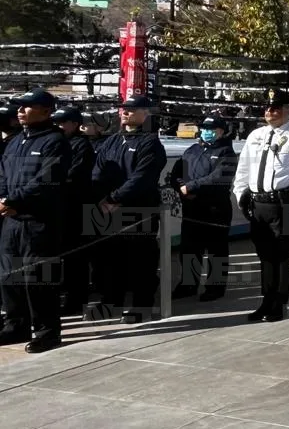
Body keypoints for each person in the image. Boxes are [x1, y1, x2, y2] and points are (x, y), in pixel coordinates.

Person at [232, 89, 289, 322]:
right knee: (265, 256)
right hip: (258, 203)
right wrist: (240, 194)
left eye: (276, 108)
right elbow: (244, 168)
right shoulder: (256, 135)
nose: (270, 112)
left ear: (287, 110)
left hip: (284, 204)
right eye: (268, 108)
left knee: (283, 255)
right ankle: (266, 300)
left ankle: (279, 303)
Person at [0, 88, 72, 353]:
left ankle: (47, 331)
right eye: (19, 107)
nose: (20, 110)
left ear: (46, 111)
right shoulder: (16, 141)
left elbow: (46, 181)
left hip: (40, 222)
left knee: (38, 279)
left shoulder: (55, 141)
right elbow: (3, 175)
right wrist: (4, 199)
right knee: (9, 276)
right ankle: (16, 325)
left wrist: (13, 201)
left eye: (27, 106)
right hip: (12, 221)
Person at [89, 93, 167, 322]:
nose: (125, 112)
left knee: (140, 261)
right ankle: (110, 301)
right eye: (123, 108)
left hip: (137, 210)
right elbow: (98, 171)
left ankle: (142, 306)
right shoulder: (113, 140)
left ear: (146, 114)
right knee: (108, 260)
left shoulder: (150, 143)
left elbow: (142, 178)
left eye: (131, 109)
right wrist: (101, 198)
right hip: (108, 211)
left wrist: (114, 198)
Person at [169, 114, 238, 302]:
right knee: (190, 248)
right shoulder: (192, 150)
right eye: (205, 128)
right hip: (192, 207)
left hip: (215, 208)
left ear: (221, 131)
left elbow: (218, 178)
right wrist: (182, 187)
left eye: (211, 129)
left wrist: (191, 187)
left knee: (216, 250)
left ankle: (215, 287)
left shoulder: (226, 153)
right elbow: (176, 172)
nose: (206, 132)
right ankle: (188, 284)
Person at [50, 105, 96, 315]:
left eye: (62, 122)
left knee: (75, 257)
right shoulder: (54, 143)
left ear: (75, 124)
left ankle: (76, 299)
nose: (58, 126)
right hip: (57, 207)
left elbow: (71, 175)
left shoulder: (81, 146)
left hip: (75, 206)